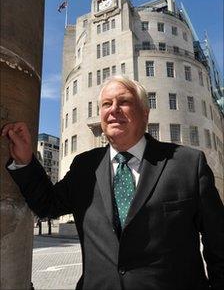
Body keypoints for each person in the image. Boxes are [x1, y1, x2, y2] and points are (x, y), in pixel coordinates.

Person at [1, 75, 224, 290]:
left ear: (145, 114)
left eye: (124, 102)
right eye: (106, 104)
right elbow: (47, 205)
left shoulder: (187, 163)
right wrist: (26, 160)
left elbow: (219, 244)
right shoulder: (85, 167)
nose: (113, 110)